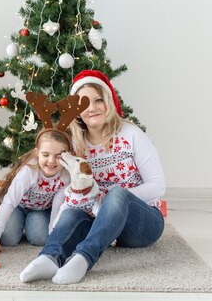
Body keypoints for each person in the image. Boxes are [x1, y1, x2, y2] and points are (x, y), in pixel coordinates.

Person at [20, 70, 166, 285]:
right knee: (72, 212)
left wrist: (109, 199)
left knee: (117, 193)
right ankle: (49, 257)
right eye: (84, 103)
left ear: (108, 101)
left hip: (142, 224)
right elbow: (71, 191)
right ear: (77, 110)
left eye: (98, 100)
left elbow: (158, 186)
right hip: (99, 219)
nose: (92, 108)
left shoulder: (131, 134)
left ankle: (84, 258)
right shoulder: (75, 145)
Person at [0, 129, 71, 256]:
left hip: (40, 210)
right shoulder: (29, 171)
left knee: (40, 238)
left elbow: (58, 206)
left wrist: (54, 240)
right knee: (8, 239)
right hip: (17, 207)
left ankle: (29, 223)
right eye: (46, 155)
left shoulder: (66, 175)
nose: (51, 161)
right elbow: (9, 203)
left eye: (58, 156)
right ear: (38, 153)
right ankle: (19, 223)